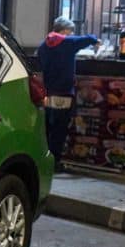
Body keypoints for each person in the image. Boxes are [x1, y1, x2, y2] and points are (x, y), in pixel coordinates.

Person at [37, 17, 98, 169]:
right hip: (63, 93)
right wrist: (97, 41)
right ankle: (54, 163)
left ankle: (43, 161)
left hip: (48, 92)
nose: (71, 34)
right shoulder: (68, 43)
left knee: (47, 129)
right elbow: (88, 38)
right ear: (64, 31)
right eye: (70, 31)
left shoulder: (44, 45)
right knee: (59, 129)